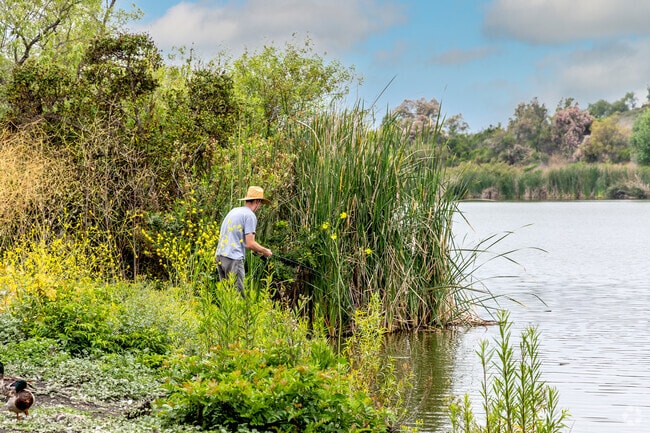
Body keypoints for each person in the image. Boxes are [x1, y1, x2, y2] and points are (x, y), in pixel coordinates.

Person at [216, 186, 272, 292]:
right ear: (257, 201)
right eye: (260, 203)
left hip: (220, 256)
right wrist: (265, 251)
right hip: (233, 259)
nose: (260, 206)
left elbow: (244, 242)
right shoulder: (250, 215)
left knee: (226, 295)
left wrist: (257, 250)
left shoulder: (234, 211)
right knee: (238, 295)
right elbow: (250, 243)